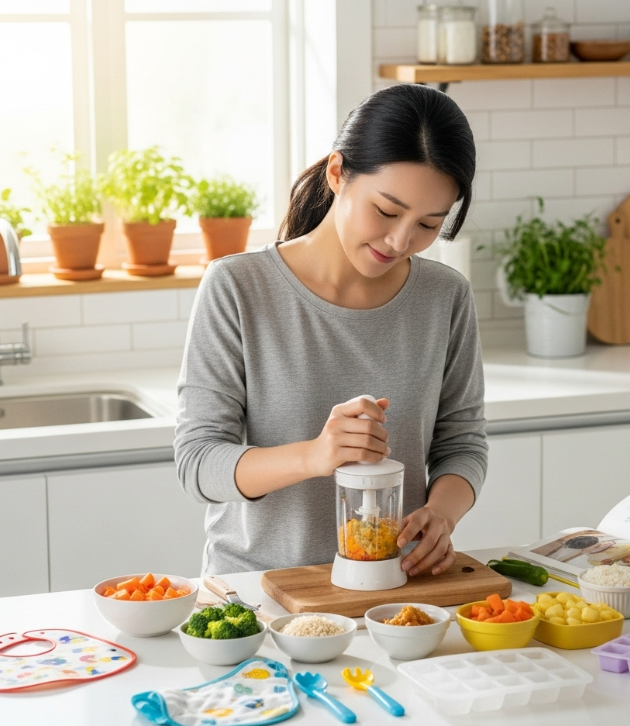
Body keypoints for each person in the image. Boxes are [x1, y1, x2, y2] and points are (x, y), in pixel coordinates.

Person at [175, 84, 488, 579]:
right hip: (262, 591)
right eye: (386, 211)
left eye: (429, 224)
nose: (400, 240)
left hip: (396, 589)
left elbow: (462, 443)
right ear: (338, 173)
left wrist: (442, 515)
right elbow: (198, 463)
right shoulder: (237, 286)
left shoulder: (445, 297)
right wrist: (314, 455)